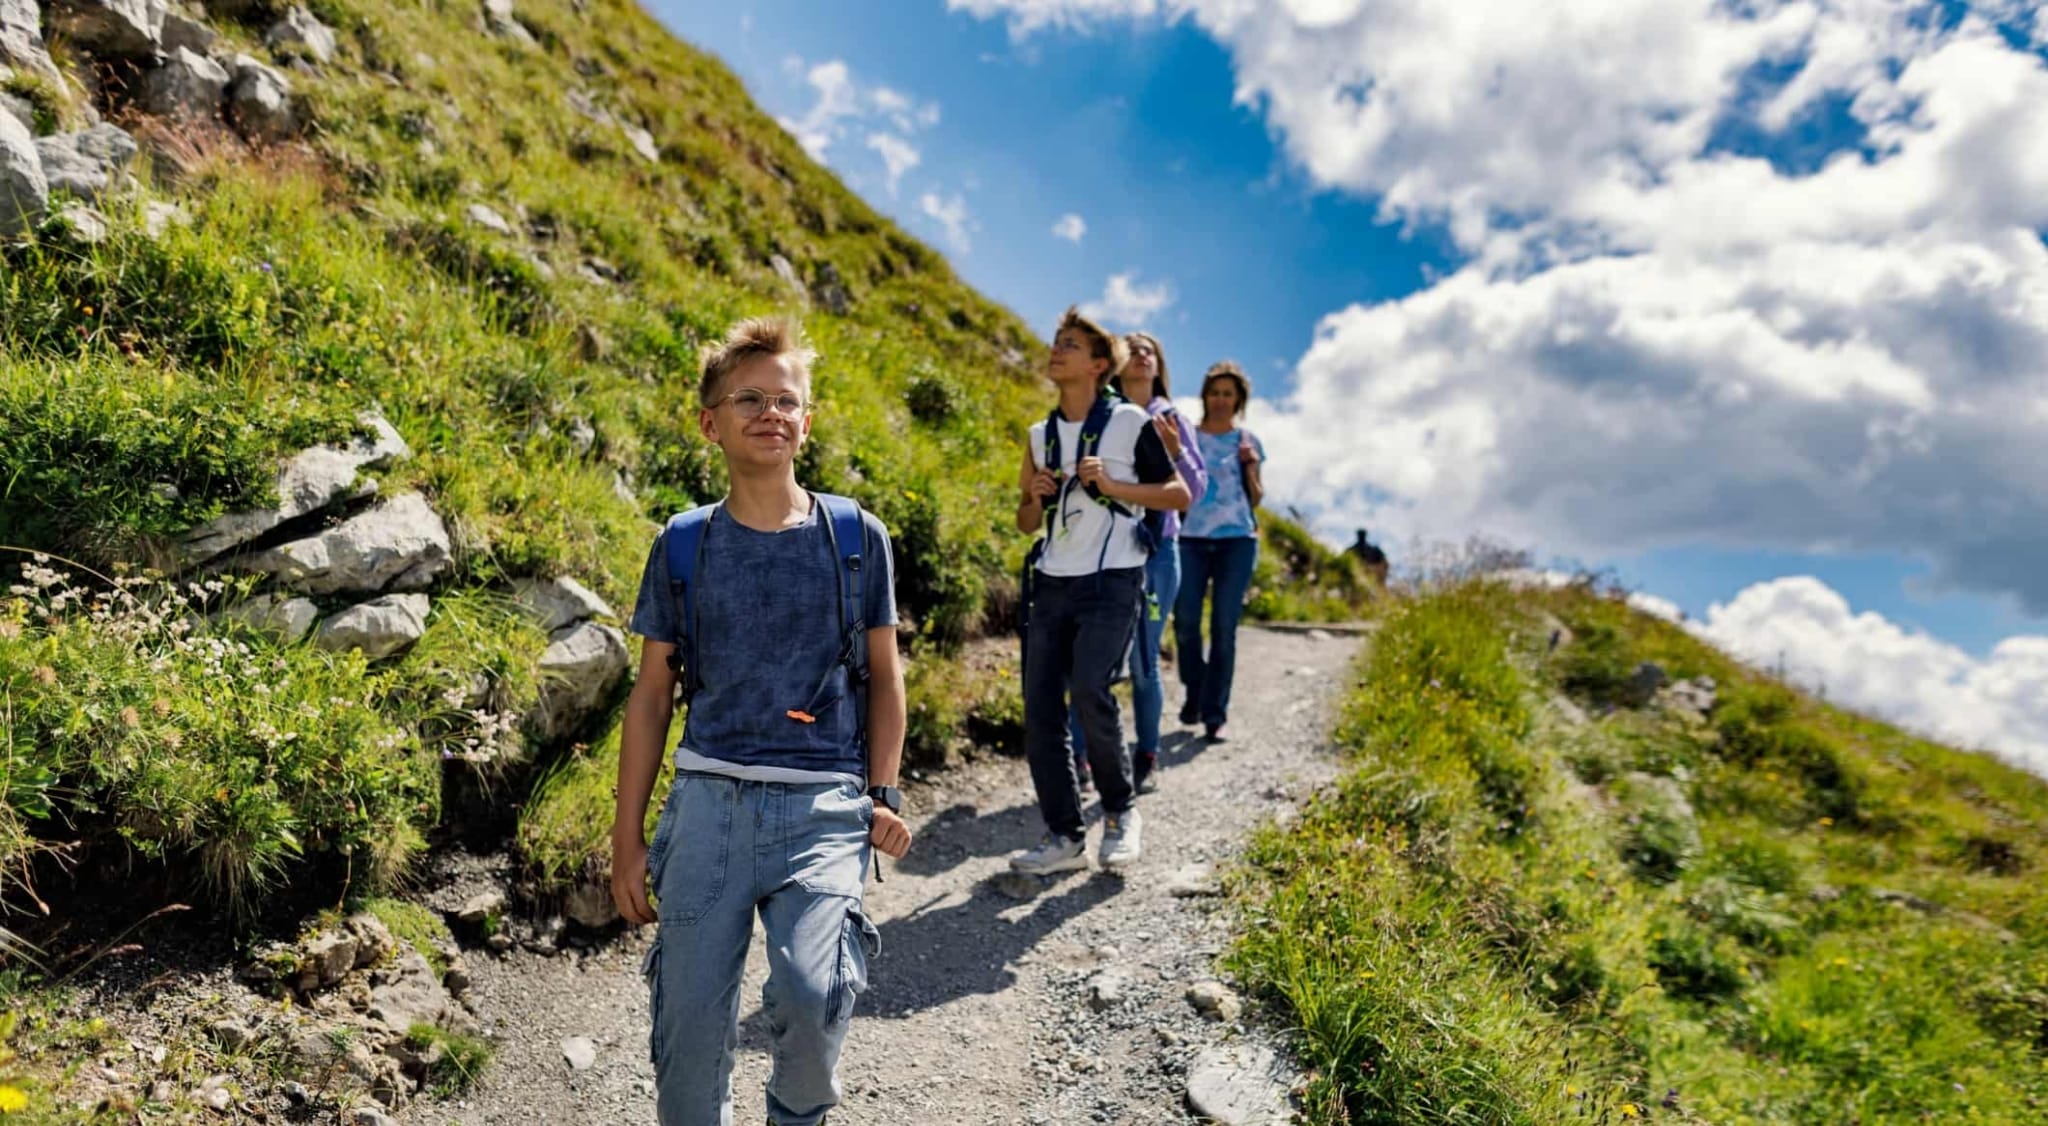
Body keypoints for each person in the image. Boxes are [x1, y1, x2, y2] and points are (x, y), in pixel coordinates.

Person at [611, 317, 914, 1126]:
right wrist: (627, 840)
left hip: (821, 809)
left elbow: (885, 677)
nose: (770, 412)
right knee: (687, 1036)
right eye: (749, 398)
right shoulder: (683, 544)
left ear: (806, 421)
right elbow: (651, 698)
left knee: (818, 998)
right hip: (706, 804)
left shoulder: (855, 537)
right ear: (710, 422)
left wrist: (884, 791)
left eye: (787, 400)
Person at [1011, 307, 1190, 875]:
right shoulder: (1040, 435)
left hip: (1114, 577)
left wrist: (1111, 484)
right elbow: (1022, 521)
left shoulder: (1131, 422)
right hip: (1053, 582)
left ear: (1096, 365)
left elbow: (1178, 493)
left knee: (1091, 689)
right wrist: (1035, 496)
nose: (1055, 350)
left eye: (1069, 344)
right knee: (1041, 710)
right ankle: (1063, 836)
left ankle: (1119, 811)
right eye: (1055, 341)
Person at [1069, 332, 1207, 794]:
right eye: (1135, 349)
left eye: (1152, 350)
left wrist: (1176, 453)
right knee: (1087, 656)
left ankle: (1147, 753)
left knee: (1144, 659)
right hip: (1098, 552)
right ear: (1118, 362)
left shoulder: (1171, 419)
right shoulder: (1099, 415)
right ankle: (1079, 757)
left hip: (1157, 552)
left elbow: (1196, 490)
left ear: (1158, 364)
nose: (1144, 355)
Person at [1175, 361, 1266, 742]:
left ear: (1239, 400)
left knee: (1223, 628)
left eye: (1228, 394)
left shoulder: (1248, 442)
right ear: (1205, 396)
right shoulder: (1188, 438)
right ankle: (1195, 690)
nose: (1221, 400)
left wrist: (1251, 466)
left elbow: (1257, 498)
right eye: (1215, 392)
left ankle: (1215, 714)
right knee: (1185, 621)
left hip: (1237, 542)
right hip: (1190, 539)